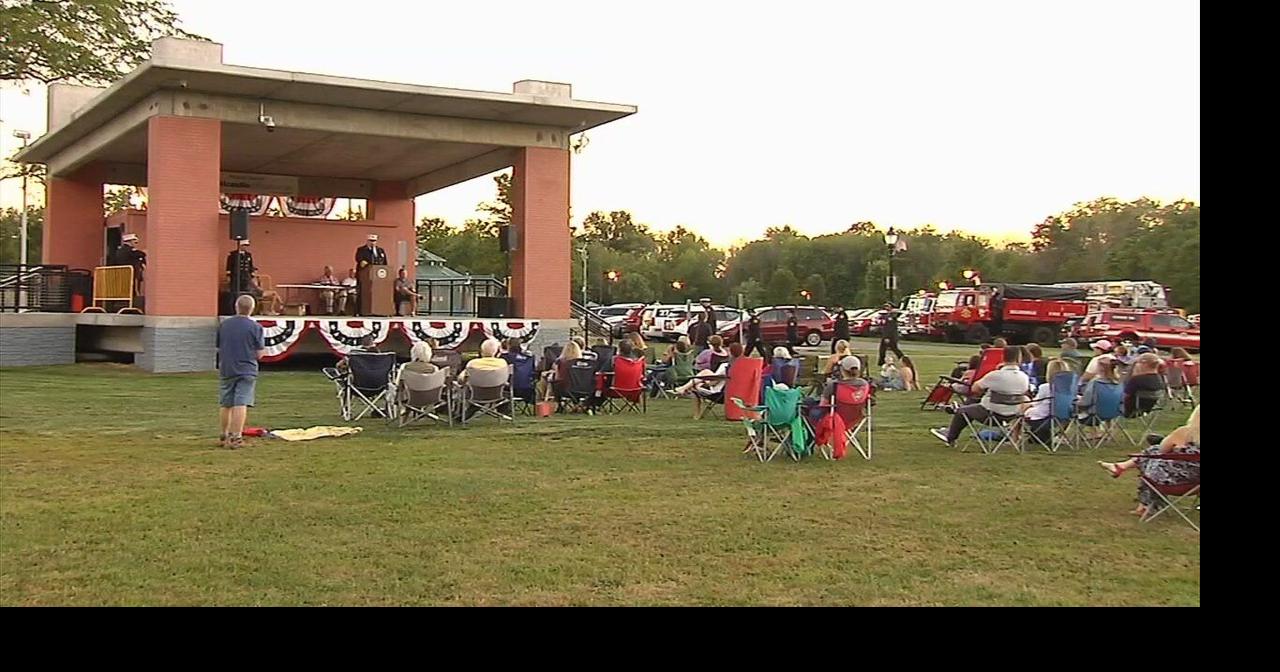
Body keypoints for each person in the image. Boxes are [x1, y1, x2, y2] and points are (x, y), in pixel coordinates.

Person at [1098, 405, 1200, 518]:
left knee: (1153, 455)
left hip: (1172, 483)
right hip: (1196, 485)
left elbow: (1162, 449)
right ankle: (1121, 467)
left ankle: (1144, 504)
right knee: (1154, 457)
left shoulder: (1184, 433)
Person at [931, 346, 1030, 447]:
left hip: (991, 413)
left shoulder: (995, 375)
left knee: (962, 411)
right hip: (1013, 413)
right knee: (971, 404)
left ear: (1003, 358)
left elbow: (975, 388)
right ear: (1019, 359)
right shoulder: (1024, 377)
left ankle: (950, 437)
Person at [216, 294, 265, 450]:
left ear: (236, 307)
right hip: (246, 369)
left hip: (227, 367)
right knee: (241, 402)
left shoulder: (224, 325)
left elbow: (218, 345)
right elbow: (259, 353)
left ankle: (224, 435)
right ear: (251, 309)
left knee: (226, 403)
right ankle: (236, 437)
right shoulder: (255, 327)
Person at [675, 342, 742, 419]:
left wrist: (704, 382)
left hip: (719, 394)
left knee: (696, 386)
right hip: (738, 393)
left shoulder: (726, 366)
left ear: (730, 352)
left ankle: (696, 414)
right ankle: (684, 388)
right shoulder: (743, 366)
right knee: (704, 374)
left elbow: (713, 383)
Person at [1022, 359, 1071, 445]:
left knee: (1024, 405)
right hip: (1062, 418)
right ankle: (1060, 436)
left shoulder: (1045, 387)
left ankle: (1014, 437)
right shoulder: (1069, 389)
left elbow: (1036, 403)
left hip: (1043, 418)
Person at [354, 233, 388, 315]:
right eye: (371, 241)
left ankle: (379, 310)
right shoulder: (361, 250)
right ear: (367, 241)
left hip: (378, 277)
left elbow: (385, 263)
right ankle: (360, 311)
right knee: (362, 293)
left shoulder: (380, 250)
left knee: (378, 293)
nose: (373, 242)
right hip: (365, 276)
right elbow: (360, 260)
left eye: (374, 241)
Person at [1123, 352, 1166, 417]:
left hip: (1130, 409)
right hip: (1148, 408)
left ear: (1144, 364)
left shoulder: (1137, 380)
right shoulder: (1159, 379)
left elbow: (1125, 395)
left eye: (1138, 363)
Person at [108, 232, 147, 299]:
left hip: (121, 275)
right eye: (135, 241)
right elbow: (141, 254)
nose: (136, 243)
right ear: (130, 241)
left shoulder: (119, 251)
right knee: (132, 289)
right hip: (130, 274)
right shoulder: (130, 250)